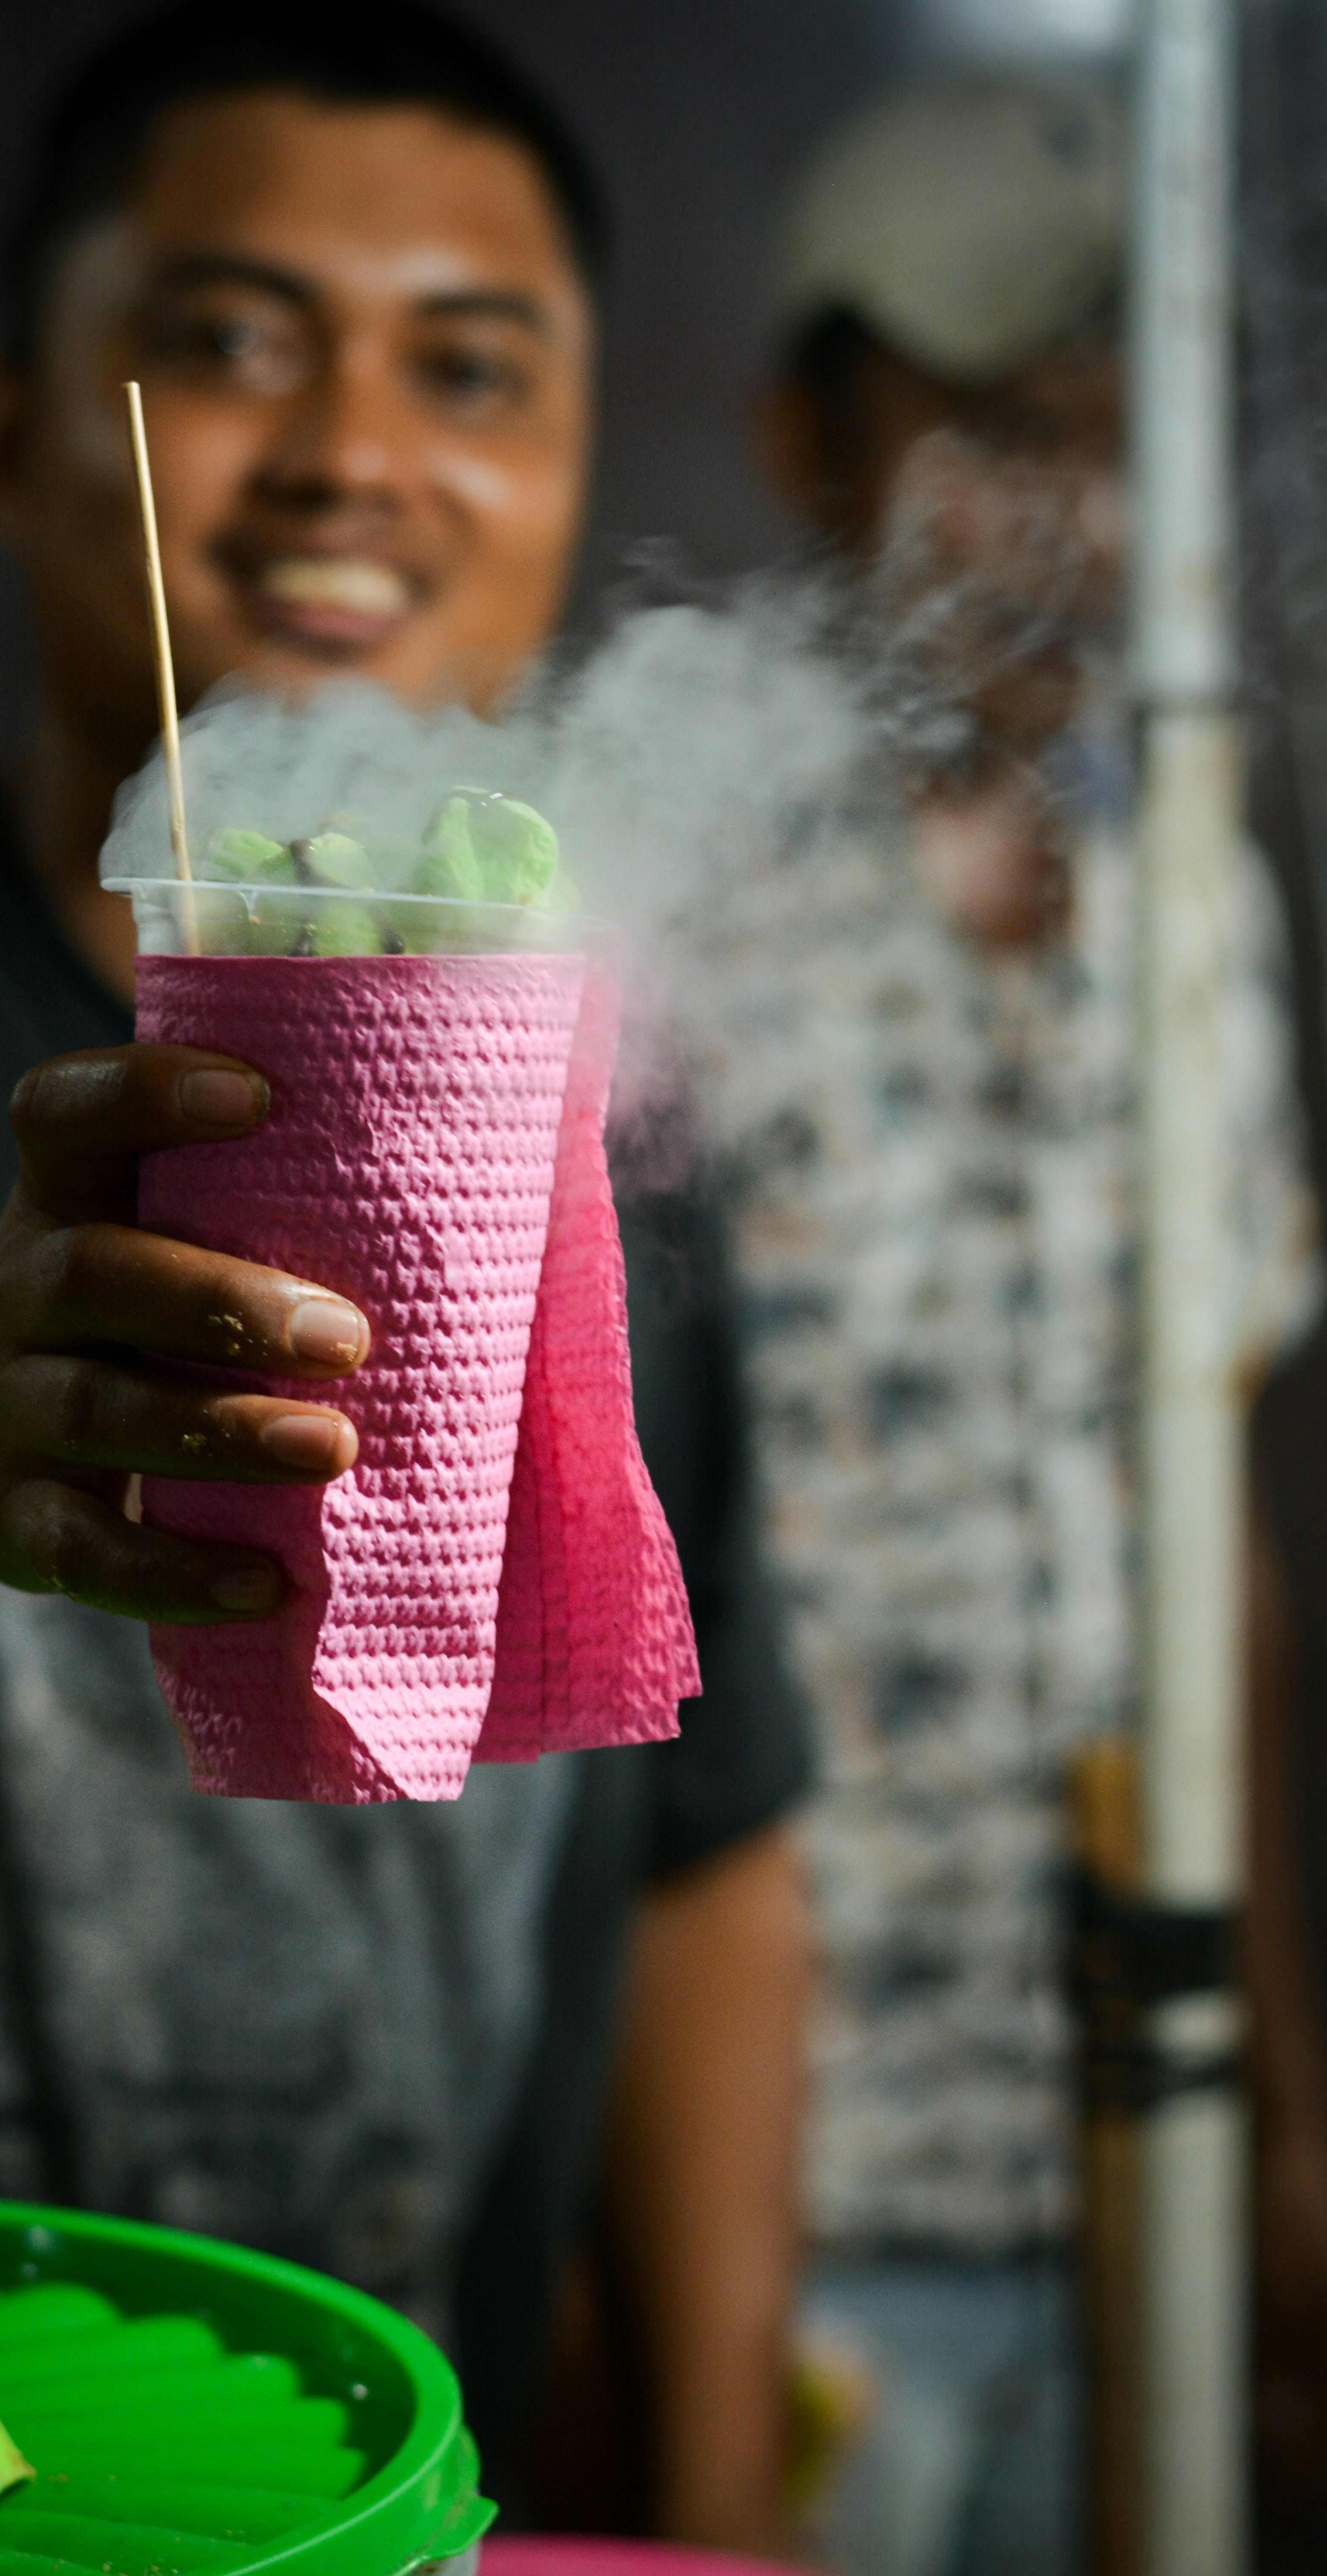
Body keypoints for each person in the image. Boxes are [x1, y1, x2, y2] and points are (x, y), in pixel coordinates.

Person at [0, 3, 812, 2552]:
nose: (357, 451)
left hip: (379, 2508)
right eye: (231, 340)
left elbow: (701, 1856)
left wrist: (723, 2518)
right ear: (8, 426)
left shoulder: (586, 1141)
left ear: (572, 461)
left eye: (467, 370)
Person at [705, 74, 1327, 2576]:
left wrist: (1286, 2117)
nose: (1066, 517)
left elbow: (1220, 1557)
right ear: (803, 437)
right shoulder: (661, 907)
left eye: (1115, 435)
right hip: (767, 2185)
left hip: (1110, 2152)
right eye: (989, 425)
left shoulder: (1200, 906)